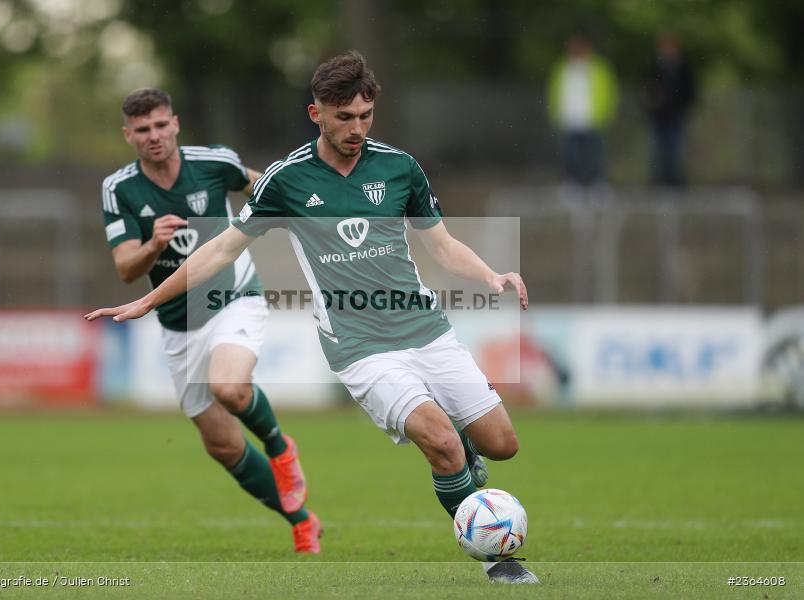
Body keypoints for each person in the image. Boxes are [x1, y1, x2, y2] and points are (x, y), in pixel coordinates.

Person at [89, 56, 535, 583]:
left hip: (425, 329)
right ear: (316, 113)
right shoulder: (286, 179)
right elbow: (220, 250)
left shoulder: (400, 167)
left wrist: (489, 274)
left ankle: (468, 453)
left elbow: (441, 245)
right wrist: (149, 301)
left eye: (365, 115)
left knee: (503, 444)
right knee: (440, 442)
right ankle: (498, 560)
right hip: (358, 346)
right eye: (344, 117)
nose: (357, 128)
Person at [100, 88, 320, 553]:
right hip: (178, 323)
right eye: (143, 129)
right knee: (222, 445)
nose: (154, 136)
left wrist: (306, 216)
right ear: (128, 135)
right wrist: (153, 245)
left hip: (232, 296)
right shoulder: (119, 189)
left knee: (230, 388)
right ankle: (301, 520)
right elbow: (125, 269)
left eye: (161, 125)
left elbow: (264, 186)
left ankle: (280, 449)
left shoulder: (214, 162)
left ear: (176, 124)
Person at [547, 35, 620, 188]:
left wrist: (606, 114)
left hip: (593, 119)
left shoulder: (599, 68)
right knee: (570, 156)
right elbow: (554, 92)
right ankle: (572, 184)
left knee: (595, 155)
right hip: (569, 120)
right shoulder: (562, 68)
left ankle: (597, 184)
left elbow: (609, 92)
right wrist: (556, 114)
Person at [643, 32, 696, 186]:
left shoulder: (683, 67)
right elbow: (647, 89)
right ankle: (659, 180)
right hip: (658, 115)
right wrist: (651, 104)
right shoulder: (654, 67)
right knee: (657, 149)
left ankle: (675, 180)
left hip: (676, 114)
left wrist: (684, 106)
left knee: (676, 148)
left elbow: (690, 90)